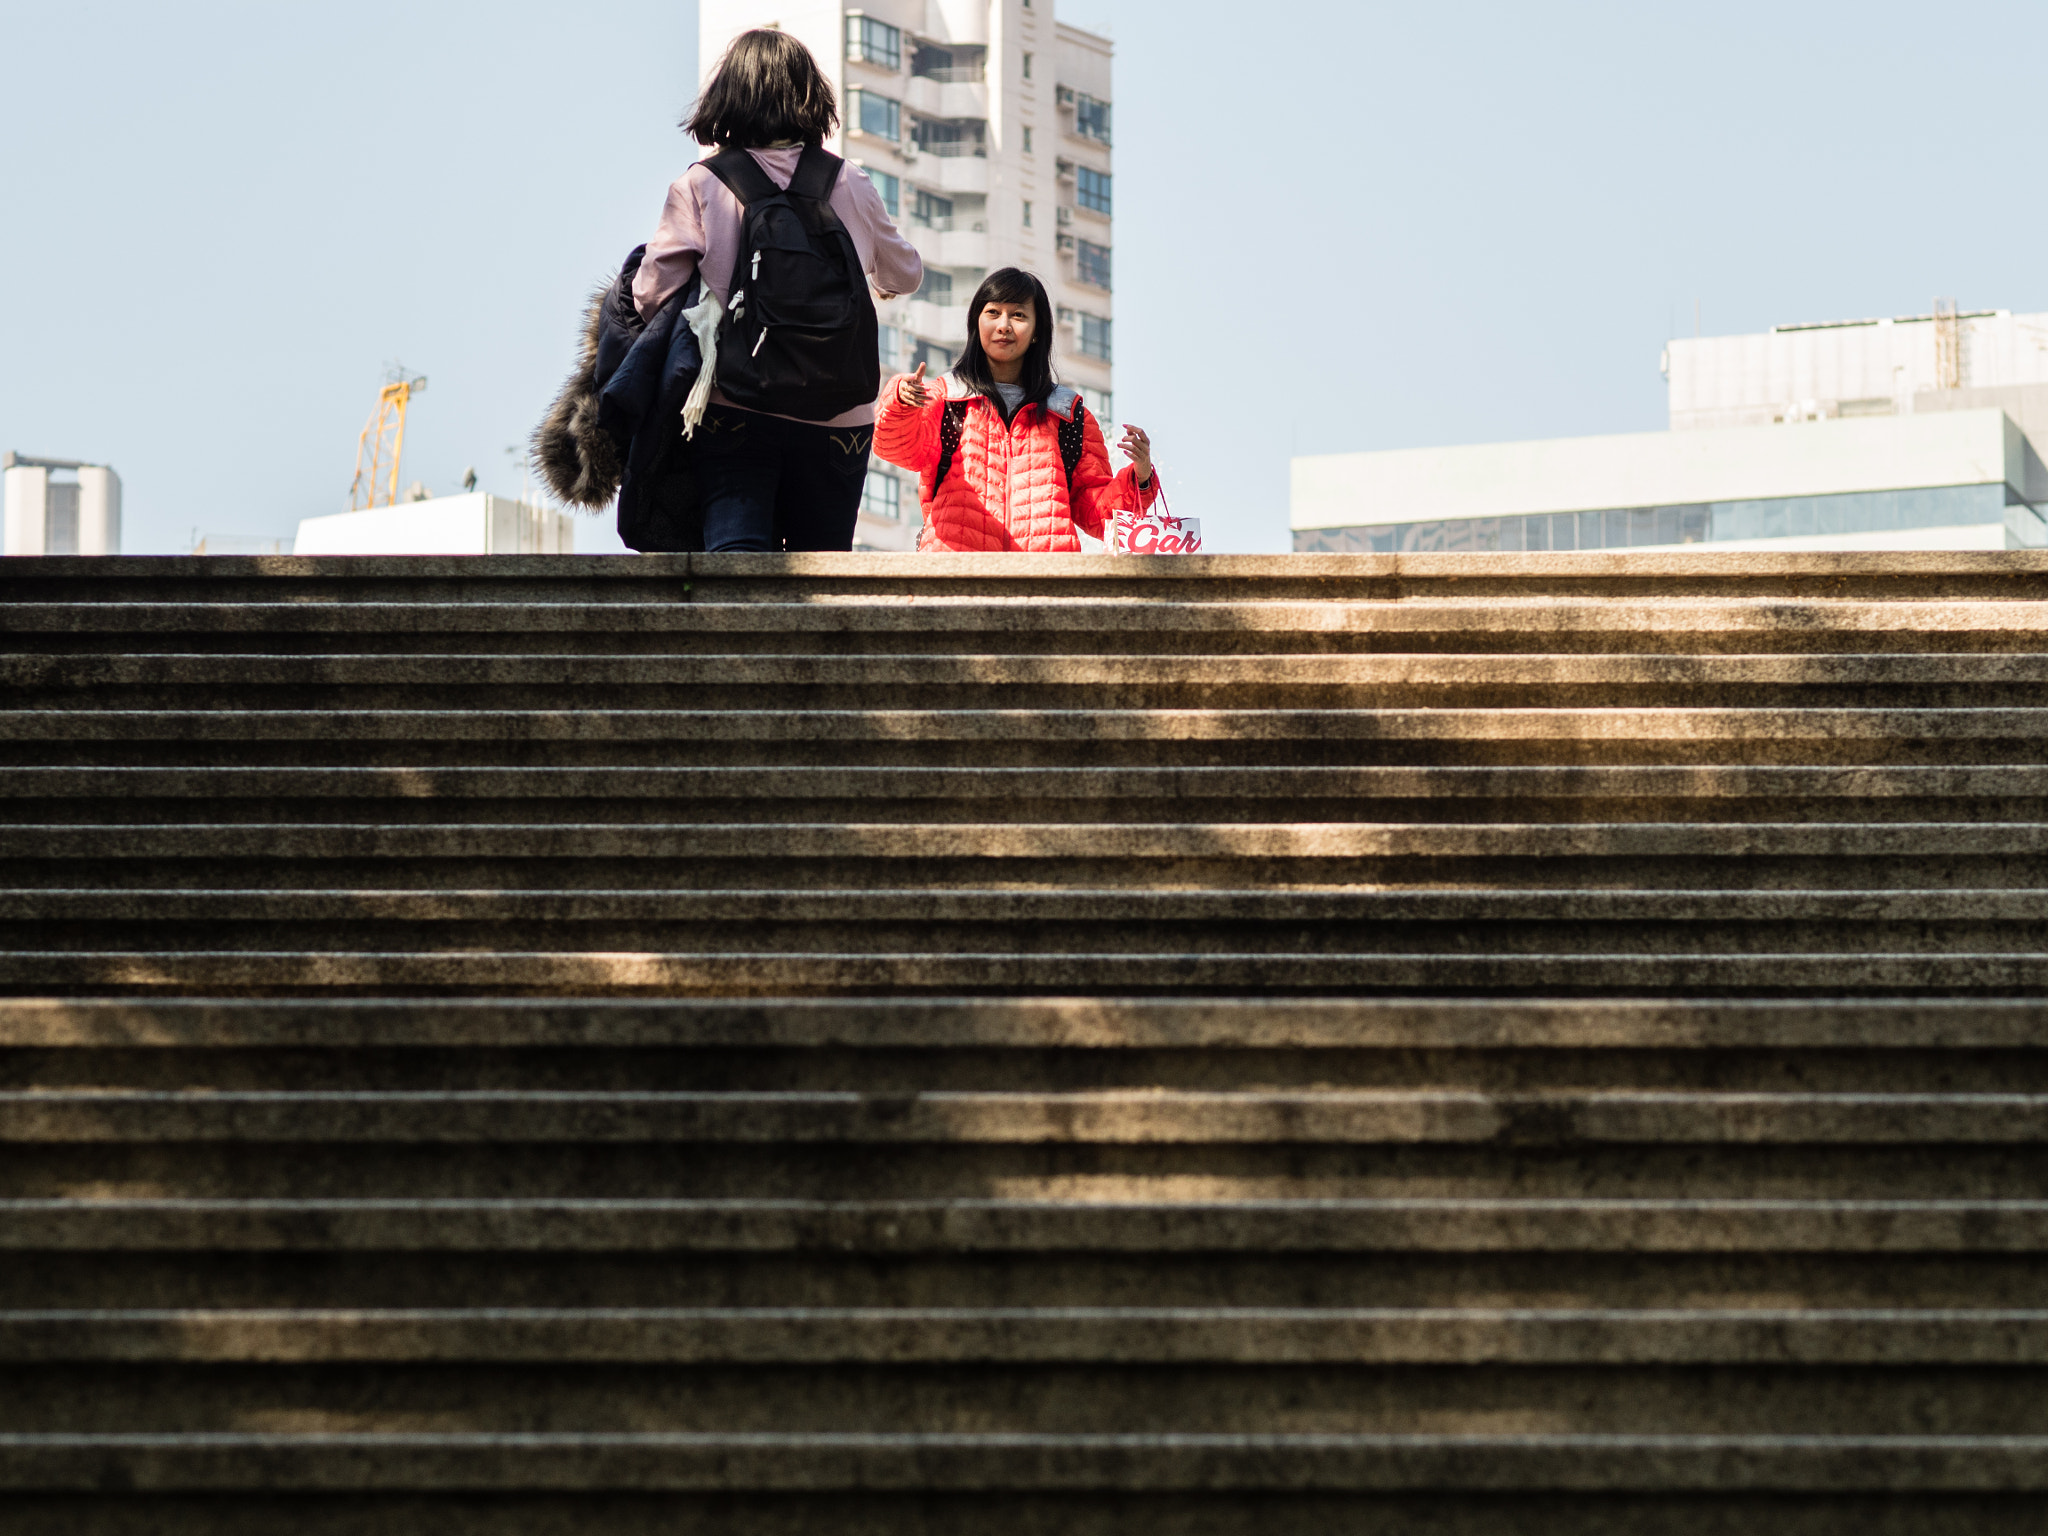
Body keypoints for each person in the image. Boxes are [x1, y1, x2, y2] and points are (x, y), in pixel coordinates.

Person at [632, 29, 922, 552]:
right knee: (824, 571)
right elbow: (906, 275)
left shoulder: (702, 185)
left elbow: (650, 294)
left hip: (737, 404)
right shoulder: (849, 181)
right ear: (811, 95)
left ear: (729, 95)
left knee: (738, 567)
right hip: (841, 417)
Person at [874, 267, 1158, 551]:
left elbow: (1099, 516)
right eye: (993, 312)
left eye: (1019, 315)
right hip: (955, 577)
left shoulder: (1069, 415)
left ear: (1037, 331)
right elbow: (896, 449)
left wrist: (1140, 478)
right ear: (977, 322)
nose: (1004, 325)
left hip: (1043, 585)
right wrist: (900, 399)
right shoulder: (946, 397)